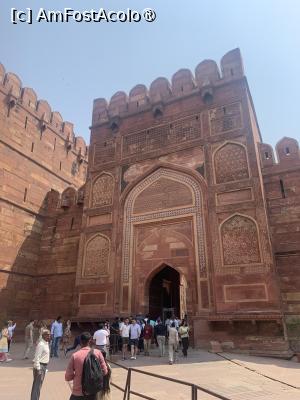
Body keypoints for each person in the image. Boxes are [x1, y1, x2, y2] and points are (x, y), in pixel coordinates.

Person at [65, 332, 108, 400]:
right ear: (90, 341)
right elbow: (105, 371)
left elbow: (68, 377)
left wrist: (77, 376)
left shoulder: (75, 355)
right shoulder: (98, 353)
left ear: (80, 342)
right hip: (93, 391)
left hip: (78, 391)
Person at [30, 329, 51, 400]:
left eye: (49, 335)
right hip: (40, 367)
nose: (49, 336)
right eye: (47, 335)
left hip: (43, 366)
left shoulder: (46, 343)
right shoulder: (41, 344)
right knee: (37, 386)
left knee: (38, 385)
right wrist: (38, 368)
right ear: (43, 335)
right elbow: (36, 357)